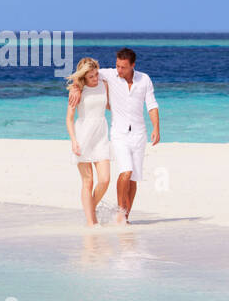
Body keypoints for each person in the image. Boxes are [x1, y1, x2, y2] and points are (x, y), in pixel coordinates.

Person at [70, 47, 160, 224]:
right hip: (118, 133)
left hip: (139, 134)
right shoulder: (109, 75)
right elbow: (85, 74)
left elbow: (152, 105)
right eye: (117, 65)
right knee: (125, 171)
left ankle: (125, 217)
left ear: (133, 65)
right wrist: (75, 88)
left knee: (133, 178)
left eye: (123, 67)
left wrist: (156, 127)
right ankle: (119, 213)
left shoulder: (144, 79)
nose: (119, 70)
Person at [65, 57, 111, 226]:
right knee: (88, 181)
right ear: (83, 76)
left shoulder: (104, 84)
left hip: (101, 136)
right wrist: (73, 141)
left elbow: (109, 105)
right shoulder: (77, 90)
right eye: (91, 76)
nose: (95, 78)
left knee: (105, 179)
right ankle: (92, 222)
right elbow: (69, 118)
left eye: (96, 74)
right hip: (83, 136)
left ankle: (90, 209)